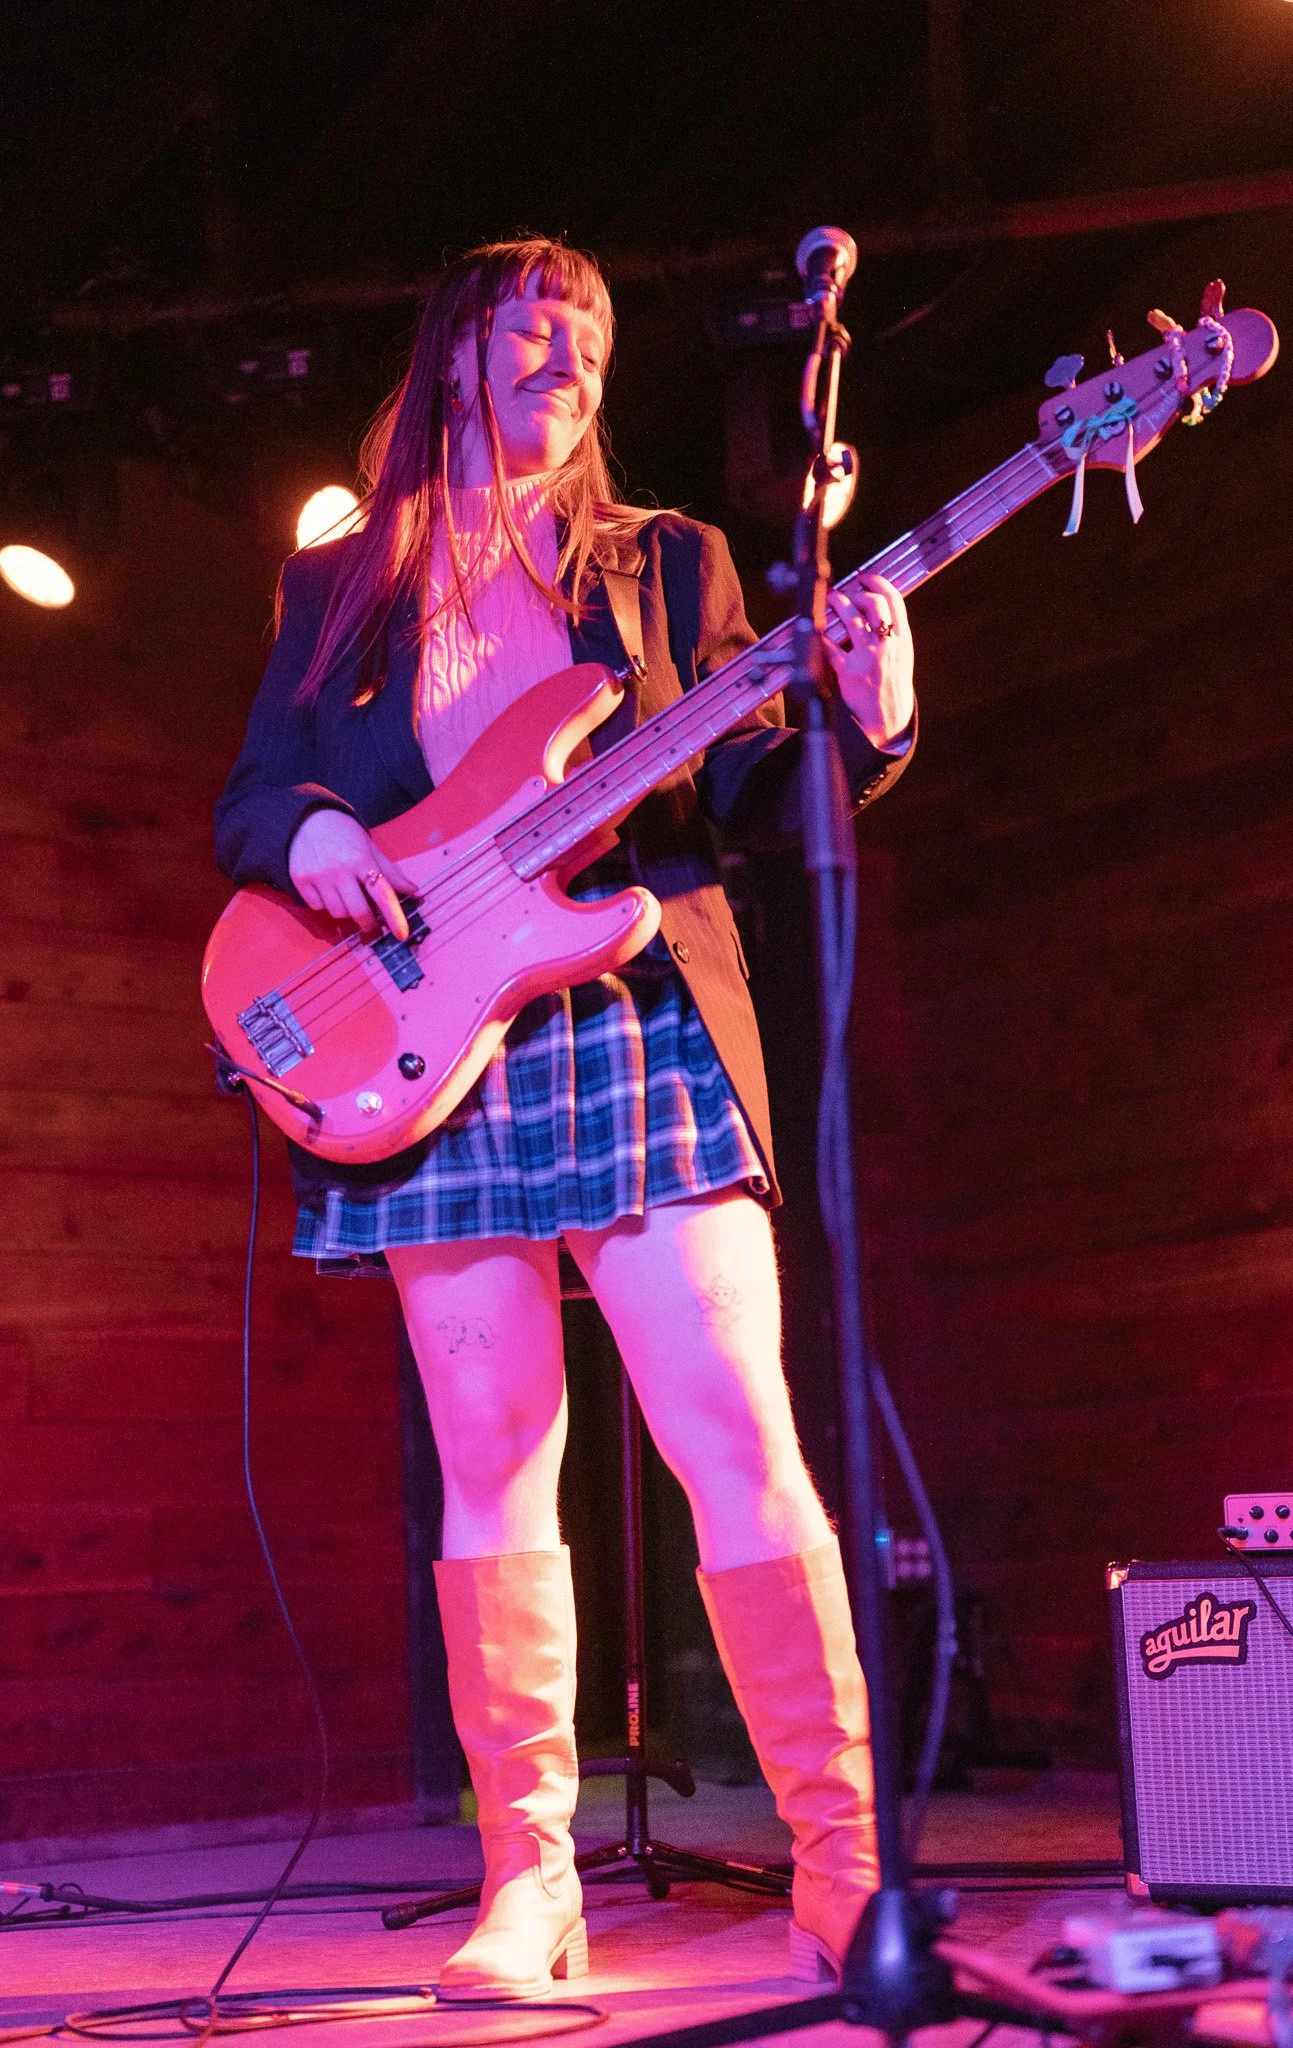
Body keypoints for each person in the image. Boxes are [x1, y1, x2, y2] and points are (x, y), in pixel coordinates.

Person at [215, 236, 916, 1998]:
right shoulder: (343, 578)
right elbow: (255, 793)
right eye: (538, 323)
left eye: (594, 336)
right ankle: (529, 1886)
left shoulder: (662, 563)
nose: (570, 354)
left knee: (731, 1425)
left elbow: (756, 775)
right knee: (490, 1454)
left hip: (630, 1007)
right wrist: (310, 836)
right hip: (433, 1027)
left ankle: (839, 1866)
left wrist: (872, 704)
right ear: (457, 348)